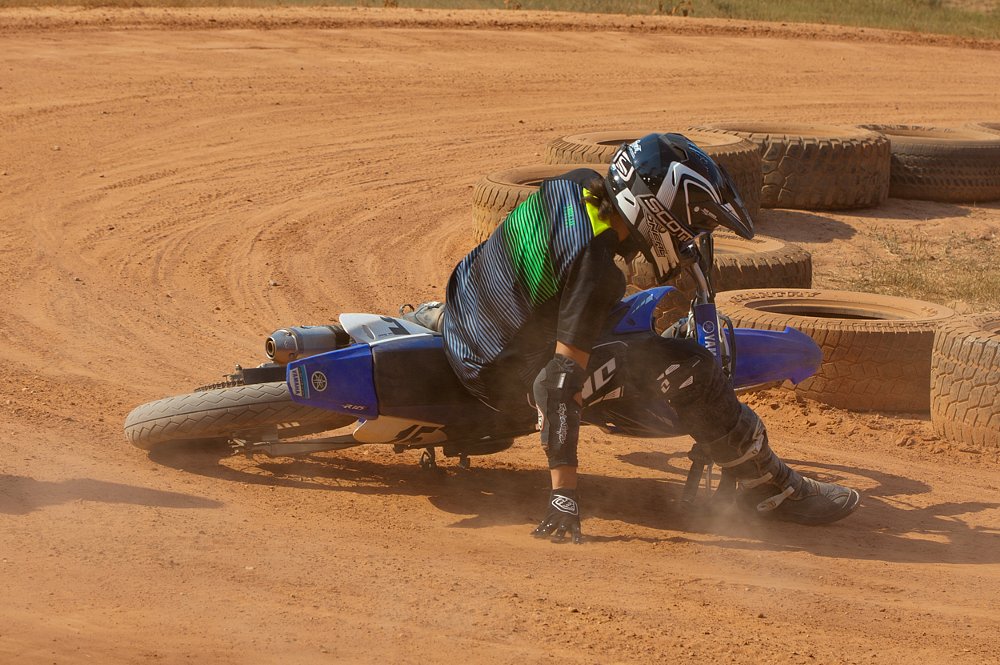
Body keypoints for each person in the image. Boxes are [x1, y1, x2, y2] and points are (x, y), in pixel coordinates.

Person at [431, 133, 860, 543]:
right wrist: (564, 496)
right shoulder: (596, 272)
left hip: (465, 317)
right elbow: (559, 386)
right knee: (694, 367)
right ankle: (768, 489)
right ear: (656, 212)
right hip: (501, 377)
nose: (690, 238)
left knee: (628, 326)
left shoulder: (575, 185)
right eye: (689, 226)